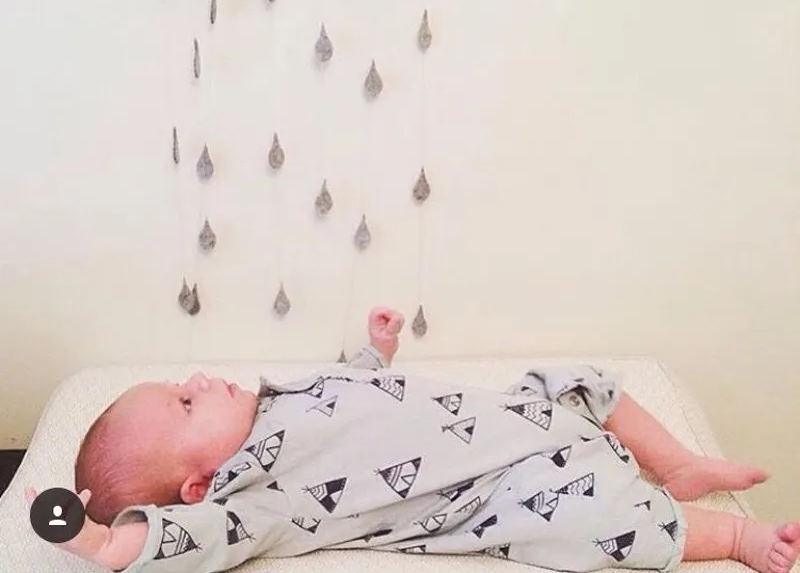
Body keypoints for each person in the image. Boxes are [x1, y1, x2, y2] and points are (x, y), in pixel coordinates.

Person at [27, 308, 799, 573]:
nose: (199, 378)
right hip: (495, 488)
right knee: (600, 522)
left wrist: (375, 352)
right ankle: (734, 536)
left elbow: (352, 396)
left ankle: (677, 464)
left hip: (512, 417)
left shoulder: (277, 401)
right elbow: (182, 541)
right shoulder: (258, 501)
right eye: (186, 402)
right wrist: (102, 542)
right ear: (200, 484)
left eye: (183, 384)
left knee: (582, 379)